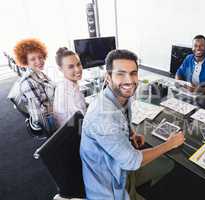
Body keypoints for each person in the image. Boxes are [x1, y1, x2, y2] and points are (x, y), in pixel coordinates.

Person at [80, 49, 185, 200]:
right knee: (163, 158)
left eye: (133, 73)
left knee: (167, 164)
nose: (129, 80)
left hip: (120, 167)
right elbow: (132, 161)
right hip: (110, 187)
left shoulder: (122, 97)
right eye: (120, 74)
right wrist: (169, 144)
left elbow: (123, 119)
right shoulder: (103, 117)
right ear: (108, 77)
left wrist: (131, 134)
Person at [13, 38, 55, 132]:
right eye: (33, 59)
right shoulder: (28, 82)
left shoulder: (39, 73)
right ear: (26, 62)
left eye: (40, 57)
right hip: (45, 121)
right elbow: (42, 109)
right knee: (77, 120)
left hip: (50, 111)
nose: (39, 61)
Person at [53, 47, 86, 128]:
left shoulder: (62, 84)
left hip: (68, 130)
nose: (78, 69)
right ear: (60, 69)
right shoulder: (70, 91)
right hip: (75, 134)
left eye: (78, 64)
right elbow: (81, 124)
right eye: (71, 67)